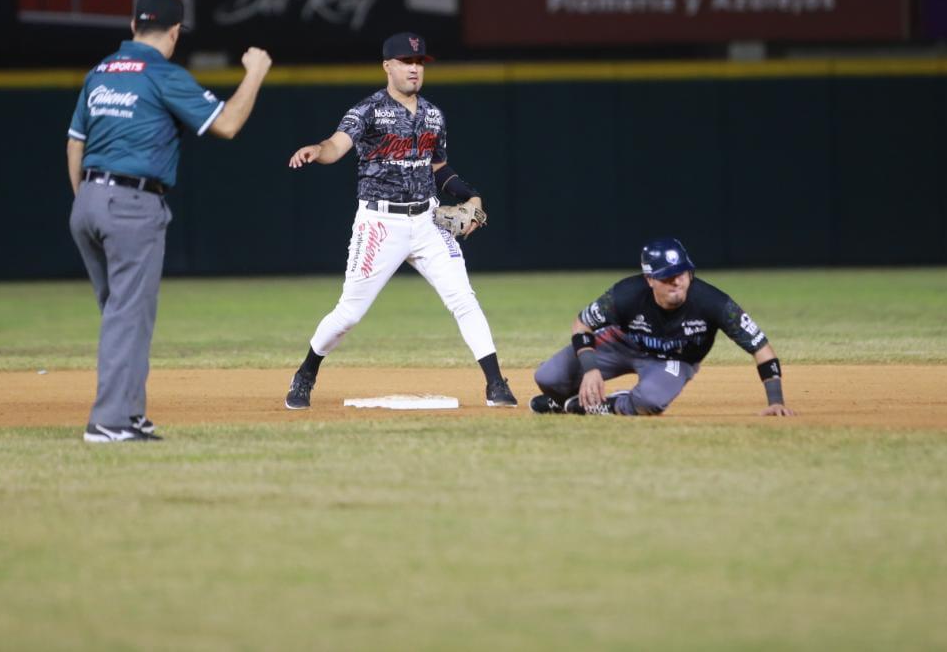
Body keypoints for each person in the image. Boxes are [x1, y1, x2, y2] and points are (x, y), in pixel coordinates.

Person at [67, 0, 272, 443]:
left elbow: (75, 143)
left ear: (132, 25)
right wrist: (255, 73)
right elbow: (229, 123)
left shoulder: (100, 72)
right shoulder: (162, 74)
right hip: (131, 203)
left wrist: (88, 199)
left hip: (88, 203)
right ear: (175, 32)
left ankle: (129, 413)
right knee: (128, 314)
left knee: (122, 314)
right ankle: (108, 421)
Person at [282, 32, 517, 409]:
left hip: (427, 221)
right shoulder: (368, 111)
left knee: (464, 299)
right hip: (379, 223)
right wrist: (317, 150)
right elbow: (337, 144)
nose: (414, 69)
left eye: (420, 63)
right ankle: (306, 373)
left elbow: (438, 167)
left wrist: (470, 194)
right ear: (387, 66)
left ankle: (495, 383)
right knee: (348, 314)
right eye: (407, 62)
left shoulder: (434, 115)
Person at [530, 237, 795, 418]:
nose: (676, 282)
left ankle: (605, 405)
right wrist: (591, 369)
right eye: (667, 277)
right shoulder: (626, 294)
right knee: (548, 377)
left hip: (675, 359)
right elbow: (582, 324)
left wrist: (776, 401)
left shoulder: (713, 302)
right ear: (649, 279)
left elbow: (761, 347)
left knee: (650, 401)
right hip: (622, 343)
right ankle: (561, 401)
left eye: (681, 274)